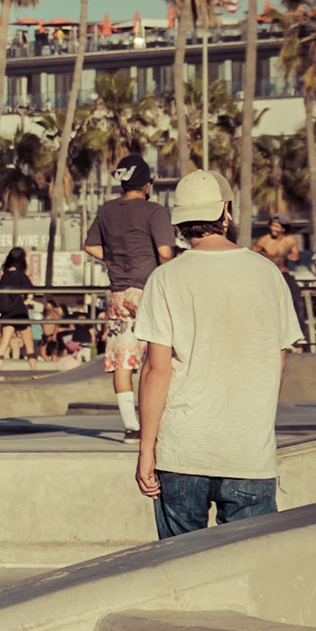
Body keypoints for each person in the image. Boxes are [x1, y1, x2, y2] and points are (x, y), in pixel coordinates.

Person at [134, 169, 302, 539]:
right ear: (225, 212)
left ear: (181, 221)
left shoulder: (165, 278)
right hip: (249, 453)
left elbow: (156, 372)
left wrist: (147, 450)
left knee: (182, 573)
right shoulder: (267, 274)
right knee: (246, 574)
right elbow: (280, 359)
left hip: (182, 452)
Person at [84, 154, 177, 441]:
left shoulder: (107, 210)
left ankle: (131, 427)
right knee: (162, 359)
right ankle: (162, 421)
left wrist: (115, 259)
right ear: (147, 184)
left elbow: (90, 246)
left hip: (119, 294)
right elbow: (164, 253)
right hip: (149, 291)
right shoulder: (154, 211)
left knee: (123, 361)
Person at [252, 213, 309, 329]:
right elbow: (251, 255)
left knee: (296, 301)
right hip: (268, 276)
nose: (273, 229)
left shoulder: (290, 240)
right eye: (272, 226)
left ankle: (299, 332)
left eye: (277, 226)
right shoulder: (263, 241)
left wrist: (295, 257)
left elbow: (297, 256)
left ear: (283, 228)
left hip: (283, 273)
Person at [0, 247, 40, 366]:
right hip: (19, 312)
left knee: (4, 344)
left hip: (7, 313)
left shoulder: (4, 276)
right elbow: (30, 293)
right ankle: (35, 372)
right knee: (29, 346)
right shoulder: (21, 276)